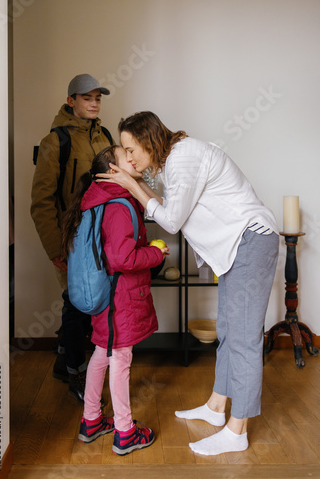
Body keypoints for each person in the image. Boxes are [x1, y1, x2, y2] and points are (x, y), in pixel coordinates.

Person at [96, 110, 279, 456]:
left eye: (131, 149)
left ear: (149, 140)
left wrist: (133, 186)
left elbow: (171, 220)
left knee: (242, 339)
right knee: (227, 329)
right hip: (238, 246)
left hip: (250, 241)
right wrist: (137, 185)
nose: (130, 157)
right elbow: (171, 207)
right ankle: (215, 407)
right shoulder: (175, 161)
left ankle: (237, 430)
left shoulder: (183, 158)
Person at [61, 145, 168, 455]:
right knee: (120, 359)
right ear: (111, 168)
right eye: (126, 156)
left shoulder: (98, 199)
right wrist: (156, 253)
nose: (133, 159)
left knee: (101, 353)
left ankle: (91, 420)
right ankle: (125, 431)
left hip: (105, 293)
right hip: (122, 296)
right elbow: (121, 258)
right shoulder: (119, 205)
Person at [31, 74, 114, 404]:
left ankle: (64, 362)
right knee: (78, 304)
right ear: (71, 101)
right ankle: (78, 374)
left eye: (98, 98)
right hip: (71, 239)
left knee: (87, 303)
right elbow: (41, 202)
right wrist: (55, 248)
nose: (94, 103)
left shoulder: (104, 136)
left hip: (101, 236)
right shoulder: (55, 142)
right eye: (87, 98)